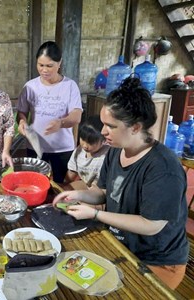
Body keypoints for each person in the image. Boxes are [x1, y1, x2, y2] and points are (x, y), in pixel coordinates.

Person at [53, 77, 188, 289]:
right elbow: (102, 191)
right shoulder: (116, 150)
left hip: (156, 260)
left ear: (135, 127)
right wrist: (78, 195)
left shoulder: (163, 169)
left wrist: (96, 214)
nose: (103, 131)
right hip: (121, 243)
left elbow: (151, 225)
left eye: (110, 126)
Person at [16, 41, 83, 183]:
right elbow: (21, 112)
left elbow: (76, 115)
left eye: (49, 66)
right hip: (35, 146)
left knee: (61, 185)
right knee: (34, 183)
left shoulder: (69, 86)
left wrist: (61, 123)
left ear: (59, 63)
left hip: (62, 148)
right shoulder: (30, 86)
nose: (44, 70)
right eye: (40, 65)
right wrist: (22, 121)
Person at [64, 115, 110, 189]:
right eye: (83, 139)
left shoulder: (107, 155)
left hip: (100, 189)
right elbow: (72, 171)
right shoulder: (79, 151)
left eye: (90, 142)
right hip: (85, 183)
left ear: (103, 141)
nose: (85, 145)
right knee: (64, 192)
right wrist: (63, 185)